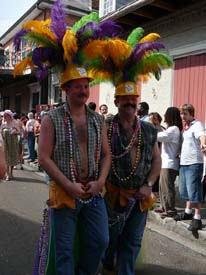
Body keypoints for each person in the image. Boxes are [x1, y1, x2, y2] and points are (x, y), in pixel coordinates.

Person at [38, 65, 111, 275]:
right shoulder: (51, 119)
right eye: (77, 86)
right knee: (64, 250)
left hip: (93, 191)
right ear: (66, 90)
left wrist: (100, 182)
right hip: (64, 192)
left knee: (100, 241)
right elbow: (43, 158)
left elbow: (107, 154)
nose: (83, 91)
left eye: (86, 86)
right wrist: (68, 185)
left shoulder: (98, 119)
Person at [174, 104, 206, 232]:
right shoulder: (186, 128)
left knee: (194, 190)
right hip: (184, 162)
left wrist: (203, 143)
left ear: (191, 114)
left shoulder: (197, 124)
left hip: (194, 163)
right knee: (185, 190)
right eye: (181, 114)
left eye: (185, 114)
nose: (182, 116)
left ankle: (197, 218)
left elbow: (201, 136)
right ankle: (187, 212)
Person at [155, 107, 183, 218]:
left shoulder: (174, 129)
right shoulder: (173, 129)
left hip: (170, 163)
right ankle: (164, 206)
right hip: (167, 162)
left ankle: (170, 209)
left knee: (167, 187)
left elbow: (159, 137)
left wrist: (154, 128)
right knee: (162, 186)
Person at [0, 110, 20, 180]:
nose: (4, 117)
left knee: (12, 158)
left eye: (6, 116)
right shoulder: (3, 124)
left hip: (13, 143)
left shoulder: (14, 123)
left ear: (9, 116)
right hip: (5, 143)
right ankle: (7, 174)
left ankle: (11, 172)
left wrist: (14, 132)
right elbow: (1, 133)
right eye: (4, 116)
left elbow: (19, 131)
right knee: (6, 158)